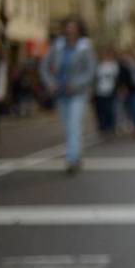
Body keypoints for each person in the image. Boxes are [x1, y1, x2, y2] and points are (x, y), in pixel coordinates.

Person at [39, 17, 96, 174]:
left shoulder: (86, 46)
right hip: (61, 93)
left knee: (74, 125)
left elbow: (90, 71)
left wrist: (77, 84)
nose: (70, 30)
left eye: (73, 27)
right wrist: (50, 83)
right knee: (67, 127)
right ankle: (76, 155)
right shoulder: (57, 45)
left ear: (79, 29)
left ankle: (71, 160)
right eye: (68, 27)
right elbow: (44, 67)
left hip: (78, 93)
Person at [93, 46, 120, 135]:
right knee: (101, 110)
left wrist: (116, 89)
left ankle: (110, 126)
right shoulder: (99, 65)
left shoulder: (114, 66)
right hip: (99, 91)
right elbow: (95, 78)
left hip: (110, 91)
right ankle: (103, 127)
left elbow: (117, 78)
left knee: (109, 109)